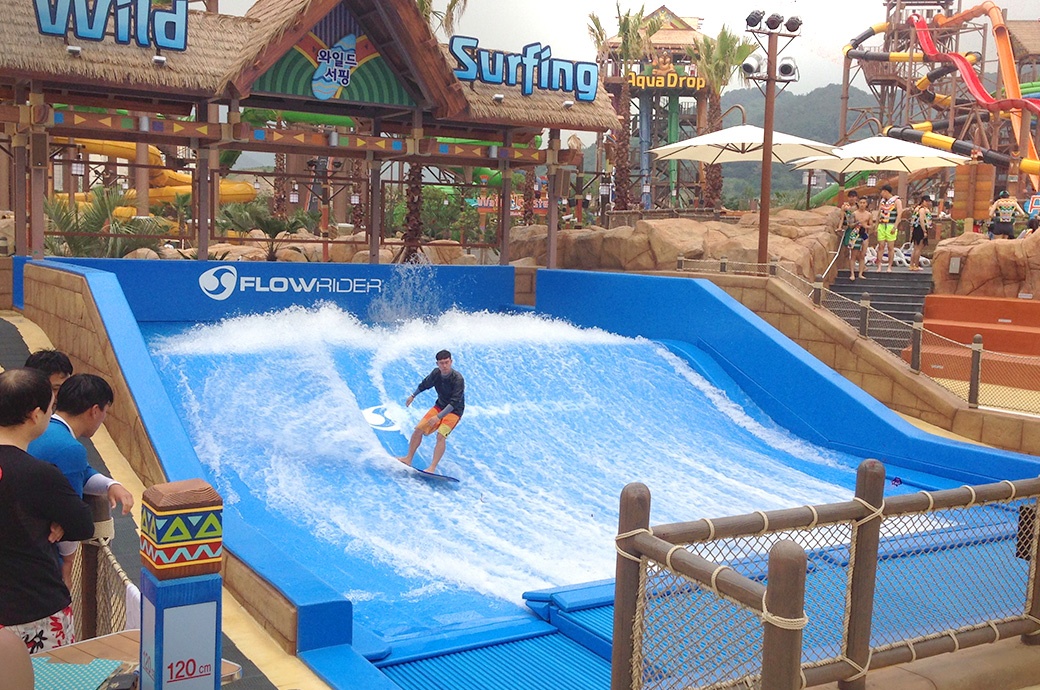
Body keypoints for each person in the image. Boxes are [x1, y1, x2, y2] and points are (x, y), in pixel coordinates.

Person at [0, 368, 94, 654]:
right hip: (32, 607)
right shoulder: (40, 475)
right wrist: (57, 520)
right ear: (35, 414)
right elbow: (82, 525)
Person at [28, 374, 133, 588]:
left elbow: (80, 471)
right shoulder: (70, 448)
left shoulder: (45, 430)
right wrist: (67, 563)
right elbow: (70, 516)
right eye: (105, 412)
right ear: (95, 410)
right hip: (38, 559)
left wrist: (109, 485)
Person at [398, 350, 465, 475]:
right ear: (437, 364)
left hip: (454, 412)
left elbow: (454, 403)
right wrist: (413, 395)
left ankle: (432, 467)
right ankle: (408, 459)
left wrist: (438, 417)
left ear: (451, 362)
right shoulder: (436, 374)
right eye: (441, 363)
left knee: (441, 435)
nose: (444, 366)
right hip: (439, 406)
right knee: (418, 429)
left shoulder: (458, 379)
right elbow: (425, 384)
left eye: (446, 362)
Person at [874, 185, 903, 273]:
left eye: (882, 191)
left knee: (890, 247)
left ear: (886, 191)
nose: (881, 193)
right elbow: (879, 214)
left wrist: (895, 226)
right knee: (881, 246)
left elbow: (899, 214)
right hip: (882, 225)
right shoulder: (882, 201)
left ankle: (889, 266)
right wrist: (876, 226)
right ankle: (879, 266)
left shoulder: (897, 201)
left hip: (891, 225)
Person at [837, 190, 860, 277]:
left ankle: (855, 266)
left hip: (856, 229)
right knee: (847, 246)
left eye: (853, 196)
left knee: (856, 248)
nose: (852, 198)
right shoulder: (845, 206)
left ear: (856, 197)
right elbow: (842, 218)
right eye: (850, 196)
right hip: (848, 228)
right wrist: (840, 227)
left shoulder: (858, 206)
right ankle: (847, 265)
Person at [850, 197, 873, 280]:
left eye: (864, 203)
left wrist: (865, 225)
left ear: (866, 204)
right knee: (853, 254)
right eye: (861, 203)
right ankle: (852, 273)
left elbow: (871, 226)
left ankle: (860, 273)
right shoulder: (854, 214)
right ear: (858, 203)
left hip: (864, 234)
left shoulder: (869, 214)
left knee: (862, 254)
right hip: (855, 234)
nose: (862, 204)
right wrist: (858, 223)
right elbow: (850, 225)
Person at [909, 195, 933, 271]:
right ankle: (915, 265)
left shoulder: (917, 208)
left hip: (916, 229)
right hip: (920, 229)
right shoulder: (922, 210)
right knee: (918, 248)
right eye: (927, 201)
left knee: (915, 248)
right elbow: (922, 220)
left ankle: (911, 265)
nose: (928, 203)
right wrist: (924, 231)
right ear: (923, 201)